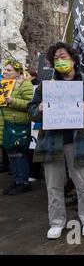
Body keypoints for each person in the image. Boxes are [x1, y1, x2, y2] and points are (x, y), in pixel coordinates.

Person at [28, 42, 84, 239]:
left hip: (79, 141)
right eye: (56, 58)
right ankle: (56, 222)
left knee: (83, 184)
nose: (60, 61)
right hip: (51, 142)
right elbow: (31, 110)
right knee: (53, 186)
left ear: (73, 59)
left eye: (63, 57)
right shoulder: (46, 85)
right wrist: (40, 110)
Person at [1, 60, 34, 195]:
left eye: (9, 70)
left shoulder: (25, 84)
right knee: (11, 154)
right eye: (5, 70)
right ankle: (17, 180)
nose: (5, 72)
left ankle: (24, 182)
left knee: (19, 154)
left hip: (18, 125)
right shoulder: (4, 84)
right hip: (6, 124)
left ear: (18, 72)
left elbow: (30, 104)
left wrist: (12, 101)